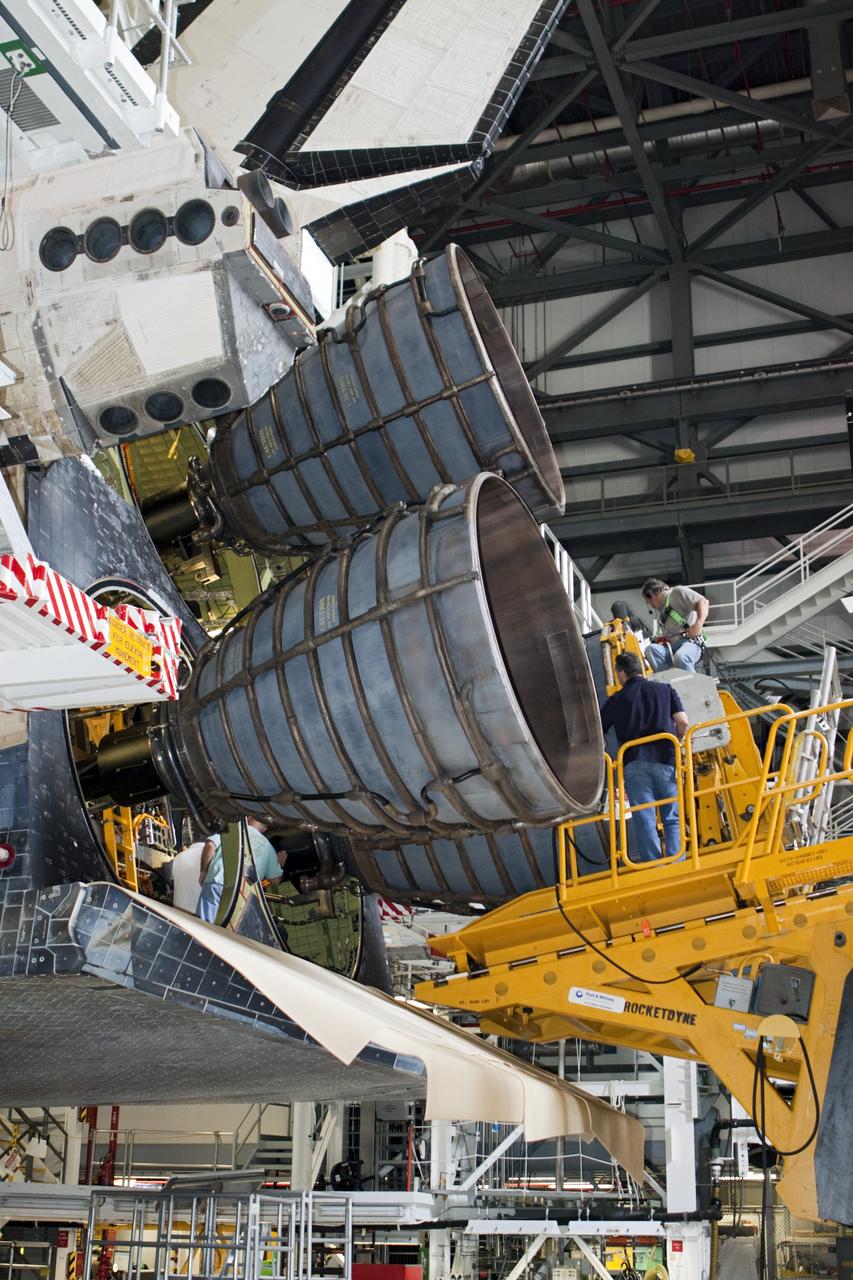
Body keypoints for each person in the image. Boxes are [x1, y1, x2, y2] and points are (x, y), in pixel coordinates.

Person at [600, 651, 689, 861]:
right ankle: (677, 861)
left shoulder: (617, 699)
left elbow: (598, 731)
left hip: (634, 762)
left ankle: (654, 864)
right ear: (639, 668)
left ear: (621, 674)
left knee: (644, 817)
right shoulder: (665, 690)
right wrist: (677, 742)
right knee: (672, 816)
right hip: (666, 758)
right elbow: (683, 723)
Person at [641, 577, 709, 673]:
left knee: (680, 657)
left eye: (648, 602)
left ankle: (691, 686)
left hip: (690, 643)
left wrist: (698, 624)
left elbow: (703, 602)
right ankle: (667, 684)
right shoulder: (663, 612)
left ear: (650, 595)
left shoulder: (677, 592)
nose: (651, 606)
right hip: (672, 648)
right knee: (651, 650)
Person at [244, 816, 285, 891]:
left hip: (221, 881)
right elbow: (275, 881)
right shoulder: (268, 847)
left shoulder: (236, 830)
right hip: (245, 893)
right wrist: (279, 864)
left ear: (248, 817)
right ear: (264, 829)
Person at [197, 831, 224, 922]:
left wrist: (203, 872)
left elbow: (210, 845)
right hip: (237, 889)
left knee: (204, 924)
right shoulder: (265, 845)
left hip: (216, 881)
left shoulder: (228, 834)